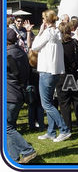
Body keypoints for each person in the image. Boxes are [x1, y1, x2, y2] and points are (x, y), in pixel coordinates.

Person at [32, 10, 71, 142]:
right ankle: (51, 131)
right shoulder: (57, 32)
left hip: (46, 71)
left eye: (43, 18)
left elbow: (34, 47)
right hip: (55, 72)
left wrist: (40, 32)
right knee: (49, 102)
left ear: (46, 20)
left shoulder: (48, 32)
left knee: (46, 104)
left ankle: (64, 129)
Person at [6, 28, 37, 163]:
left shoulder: (7, 55)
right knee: (10, 127)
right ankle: (13, 158)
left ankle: (27, 150)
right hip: (18, 93)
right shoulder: (21, 52)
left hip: (10, 95)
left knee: (6, 128)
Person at [56, 22, 78, 132]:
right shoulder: (74, 43)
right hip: (75, 74)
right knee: (77, 100)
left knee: (64, 103)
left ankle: (67, 128)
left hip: (62, 74)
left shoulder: (57, 45)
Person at [27, 49, 45, 131]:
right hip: (39, 87)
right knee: (40, 106)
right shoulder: (41, 66)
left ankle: (31, 125)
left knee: (31, 107)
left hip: (31, 87)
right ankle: (41, 125)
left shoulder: (28, 67)